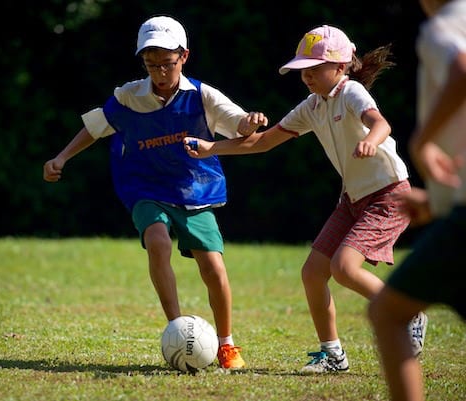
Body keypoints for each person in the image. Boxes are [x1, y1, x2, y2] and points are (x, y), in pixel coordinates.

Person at [183, 24, 428, 373]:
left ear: (340, 68)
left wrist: (372, 139)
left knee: (344, 268)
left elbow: (381, 123)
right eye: (302, 71)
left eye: (313, 69)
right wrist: (211, 148)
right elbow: (264, 141)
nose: (307, 77)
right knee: (313, 273)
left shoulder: (352, 92)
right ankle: (333, 356)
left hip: (388, 194)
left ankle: (407, 312)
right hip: (353, 198)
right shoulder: (313, 106)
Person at [43, 15, 267, 369]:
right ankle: (176, 330)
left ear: (184, 56)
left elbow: (239, 125)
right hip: (144, 186)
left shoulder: (202, 96)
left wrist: (250, 122)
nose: (159, 71)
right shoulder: (130, 96)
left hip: (196, 188)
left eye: (166, 63)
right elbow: (97, 127)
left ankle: (226, 344)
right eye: (151, 64)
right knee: (158, 241)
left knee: (213, 267)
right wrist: (62, 157)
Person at [368, 0, 466, 399]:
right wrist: (439, 202)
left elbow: (462, 69)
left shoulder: (445, 25)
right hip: (455, 209)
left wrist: (422, 139)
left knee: (388, 313)